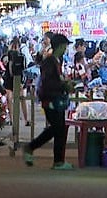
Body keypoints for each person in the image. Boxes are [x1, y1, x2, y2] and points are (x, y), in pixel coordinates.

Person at [23, 33, 73, 170]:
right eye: (65, 46)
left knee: (58, 129)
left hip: (53, 98)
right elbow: (47, 82)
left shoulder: (56, 60)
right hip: (51, 99)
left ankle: (57, 160)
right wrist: (63, 85)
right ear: (60, 46)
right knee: (58, 128)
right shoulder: (51, 61)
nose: (66, 49)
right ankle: (53, 159)